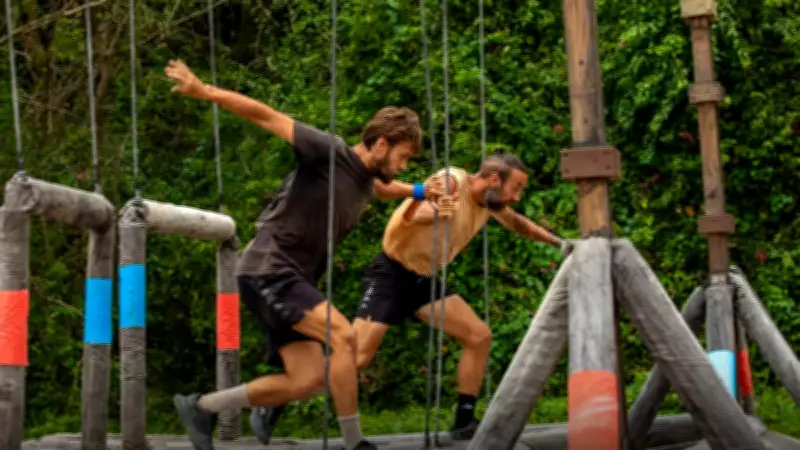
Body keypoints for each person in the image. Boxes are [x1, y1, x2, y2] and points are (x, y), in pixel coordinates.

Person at [164, 59, 448, 450]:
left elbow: (383, 190)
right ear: (381, 144)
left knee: (308, 379)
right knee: (344, 337)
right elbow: (267, 116)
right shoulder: (328, 151)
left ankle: (202, 407)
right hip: (270, 268)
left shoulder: (367, 182)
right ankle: (354, 443)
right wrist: (204, 91)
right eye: (404, 155)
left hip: (294, 278)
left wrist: (418, 191)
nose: (404, 165)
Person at [353, 150, 572, 440]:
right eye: (516, 187)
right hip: (390, 275)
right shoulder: (452, 181)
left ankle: (463, 421)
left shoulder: (489, 202)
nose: (517, 197)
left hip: (423, 281)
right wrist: (432, 211)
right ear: (494, 179)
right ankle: (293, 391)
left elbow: (518, 223)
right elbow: (418, 210)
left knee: (478, 336)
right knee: (357, 358)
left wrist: (560, 243)